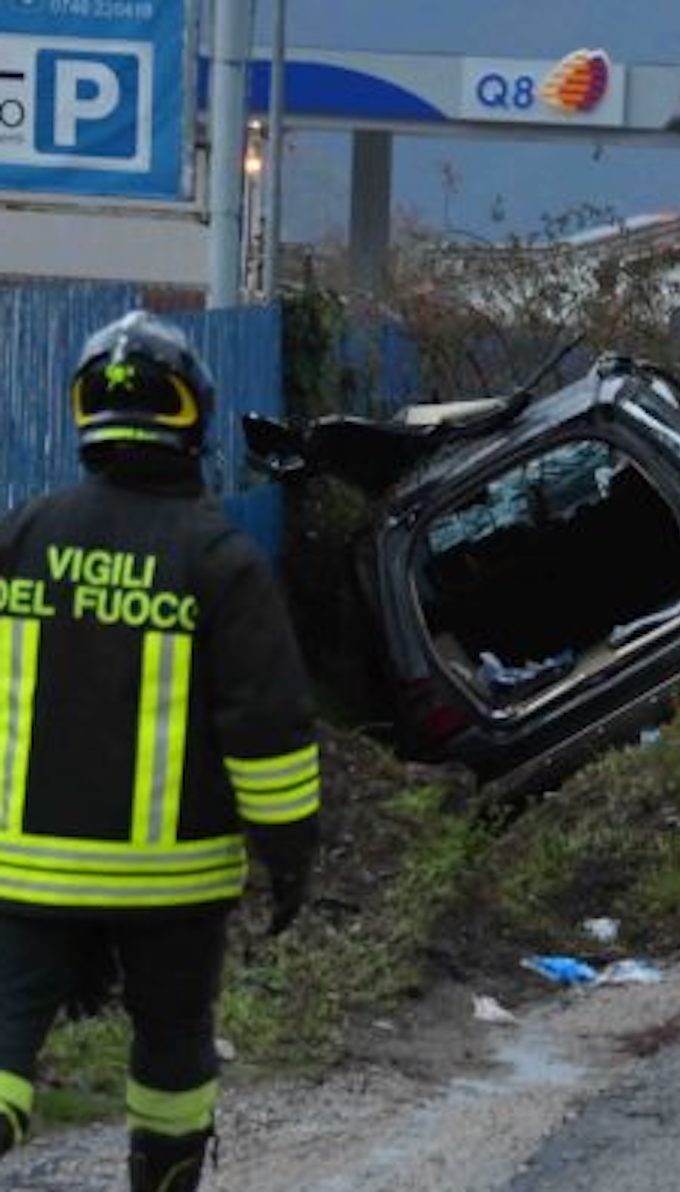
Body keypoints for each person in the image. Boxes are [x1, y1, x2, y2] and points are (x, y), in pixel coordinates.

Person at [0, 311, 321, 1190]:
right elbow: (268, 731)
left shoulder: (22, 536)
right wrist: (288, 856)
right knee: (173, 1047)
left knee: (2, 1046)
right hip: (171, 886)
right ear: (193, 418)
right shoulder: (219, 559)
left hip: (26, 876)